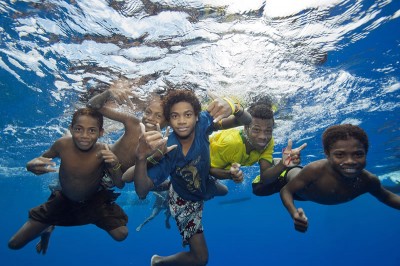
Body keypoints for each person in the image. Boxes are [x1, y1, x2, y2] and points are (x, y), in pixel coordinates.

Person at [131, 89, 250, 266]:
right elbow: (141, 191)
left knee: (223, 191)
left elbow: (248, 121)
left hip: (204, 183)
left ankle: (170, 184)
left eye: (187, 114)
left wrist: (234, 106)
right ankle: (159, 262)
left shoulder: (203, 122)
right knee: (201, 259)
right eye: (175, 116)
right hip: (184, 201)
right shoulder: (168, 149)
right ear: (169, 120)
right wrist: (141, 158)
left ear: (196, 116)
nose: (181, 121)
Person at [8, 108, 128, 253]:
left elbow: (120, 184)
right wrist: (29, 166)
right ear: (71, 129)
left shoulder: (104, 151)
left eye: (91, 131)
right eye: (78, 129)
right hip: (63, 200)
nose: (84, 136)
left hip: (94, 201)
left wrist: (115, 165)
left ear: (101, 133)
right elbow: (40, 162)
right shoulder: (62, 145)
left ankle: (86, 218)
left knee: (121, 234)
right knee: (14, 244)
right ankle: (47, 228)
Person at [280, 124, 400, 233]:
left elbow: (388, 196)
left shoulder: (368, 180)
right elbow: (286, 190)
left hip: (309, 192)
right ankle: (280, 163)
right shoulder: (315, 170)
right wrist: (294, 213)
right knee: (264, 187)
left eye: (358, 154)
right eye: (340, 155)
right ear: (327, 154)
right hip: (289, 179)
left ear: (366, 153)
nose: (350, 161)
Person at [209, 100, 307, 194]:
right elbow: (210, 170)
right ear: (246, 128)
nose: (263, 137)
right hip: (202, 161)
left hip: (221, 163)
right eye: (256, 130)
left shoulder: (268, 142)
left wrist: (283, 164)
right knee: (222, 191)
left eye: (268, 131)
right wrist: (229, 175)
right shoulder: (229, 144)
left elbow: (265, 178)